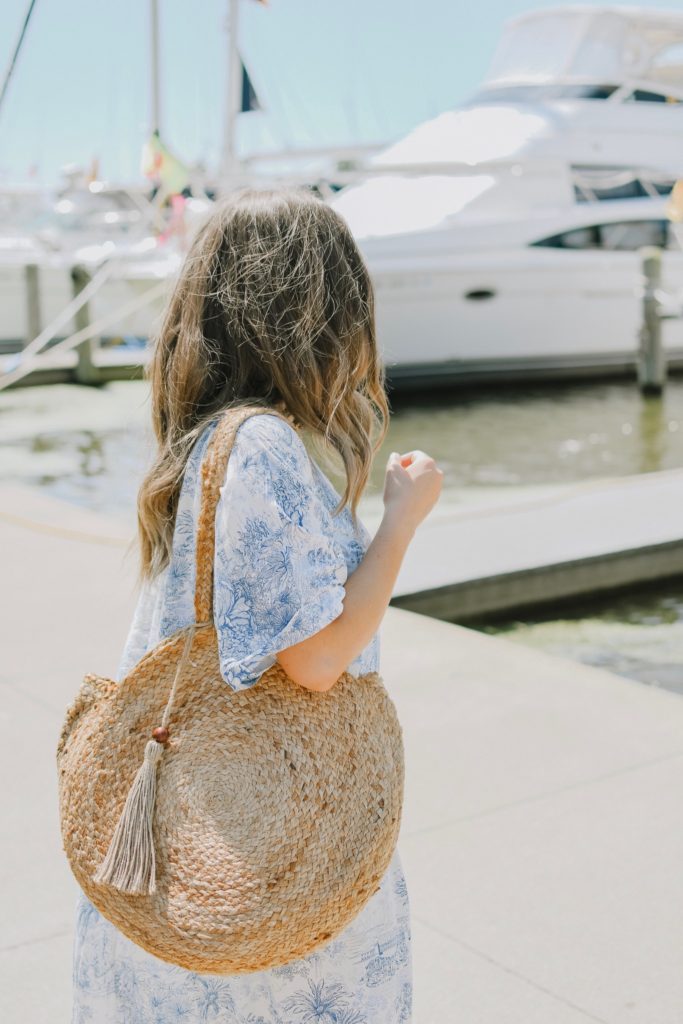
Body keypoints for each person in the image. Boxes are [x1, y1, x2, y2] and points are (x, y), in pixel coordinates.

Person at [71, 185, 443, 1023]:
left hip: (204, 830)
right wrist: (401, 519)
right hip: (263, 854)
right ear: (321, 312)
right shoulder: (266, 445)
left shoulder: (205, 440)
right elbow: (313, 661)